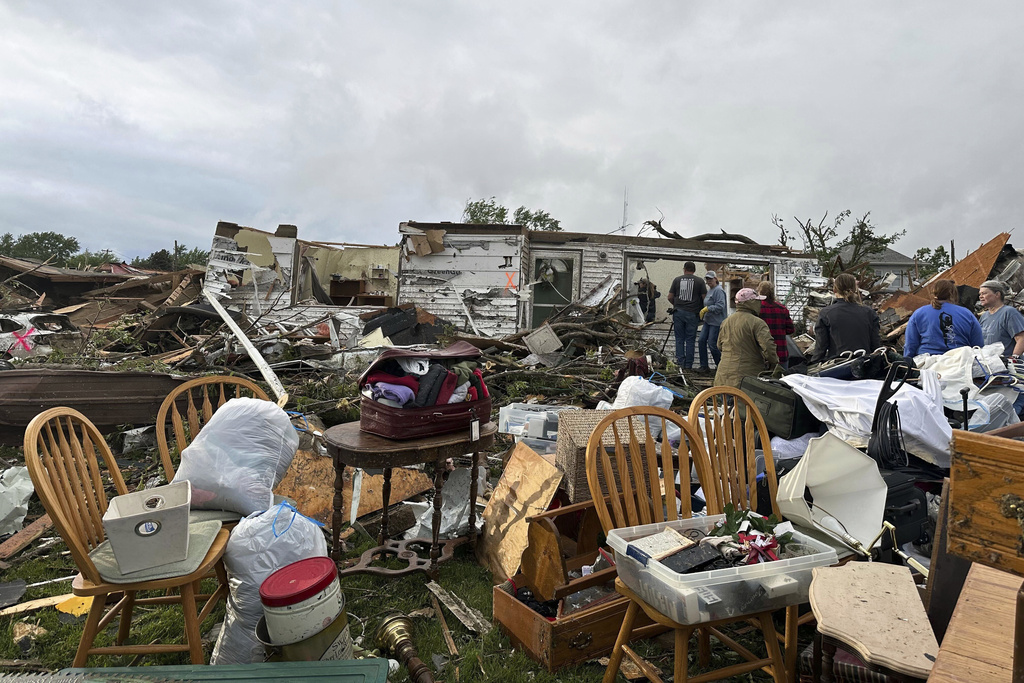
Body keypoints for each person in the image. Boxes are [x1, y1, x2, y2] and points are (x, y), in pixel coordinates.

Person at [714, 288, 780, 388]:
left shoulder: (726, 321)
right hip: (746, 378)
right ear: (751, 303)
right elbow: (768, 348)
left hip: (723, 376)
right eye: (758, 301)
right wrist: (774, 363)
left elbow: (719, 346)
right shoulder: (757, 323)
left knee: (726, 403)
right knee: (745, 404)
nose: (760, 304)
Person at [810, 273, 881, 363]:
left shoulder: (826, 313)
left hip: (837, 366)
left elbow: (821, 347)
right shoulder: (869, 312)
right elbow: (875, 345)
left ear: (834, 289)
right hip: (864, 365)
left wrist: (813, 364)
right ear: (855, 289)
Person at [903, 279, 983, 357]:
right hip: (959, 363)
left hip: (927, 364)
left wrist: (908, 361)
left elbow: (910, 344)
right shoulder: (967, 314)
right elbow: (978, 345)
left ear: (933, 293)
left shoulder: (919, 313)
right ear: (953, 293)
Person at [667, 261, 706, 370]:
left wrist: (677, 305)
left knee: (679, 338)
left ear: (684, 269)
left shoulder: (677, 280)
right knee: (690, 339)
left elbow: (670, 297)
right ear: (694, 270)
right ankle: (688, 365)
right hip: (692, 314)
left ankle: (680, 363)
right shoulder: (700, 281)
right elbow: (705, 298)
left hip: (678, 313)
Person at [978, 279, 1024, 357]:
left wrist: (1014, 358)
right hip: (989, 365)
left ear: (997, 294)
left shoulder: (1009, 313)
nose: (980, 297)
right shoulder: (984, 316)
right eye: (980, 294)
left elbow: (1021, 338)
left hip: (1006, 365)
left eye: (984, 293)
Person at [756, 281, 795, 368]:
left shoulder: (757, 309)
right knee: (781, 380)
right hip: (780, 353)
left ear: (759, 292)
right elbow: (790, 329)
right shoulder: (782, 309)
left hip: (762, 355)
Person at [697, 271, 727, 372]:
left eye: (710, 279)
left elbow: (720, 306)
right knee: (701, 341)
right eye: (707, 279)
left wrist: (707, 309)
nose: (709, 281)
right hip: (708, 321)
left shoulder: (719, 290)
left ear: (715, 278)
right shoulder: (710, 290)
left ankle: (720, 367)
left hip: (716, 322)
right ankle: (704, 366)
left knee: (712, 344)